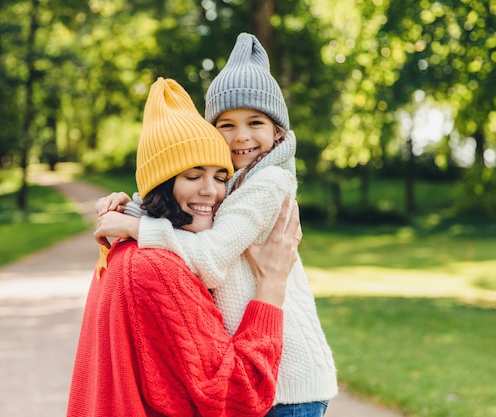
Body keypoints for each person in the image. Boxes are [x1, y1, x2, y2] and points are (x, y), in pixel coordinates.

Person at [95, 33, 338, 417]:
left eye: (255, 122)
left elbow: (208, 257)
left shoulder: (268, 184)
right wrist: (135, 206)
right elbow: (189, 218)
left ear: (278, 132)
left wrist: (136, 229)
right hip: (264, 371)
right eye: (226, 124)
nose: (241, 135)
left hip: (287, 384)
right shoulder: (234, 182)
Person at [67, 77, 304, 417]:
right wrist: (272, 285)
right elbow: (238, 394)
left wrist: (133, 214)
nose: (211, 191)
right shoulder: (158, 268)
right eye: (193, 176)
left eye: (220, 177)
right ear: (162, 184)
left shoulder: (123, 250)